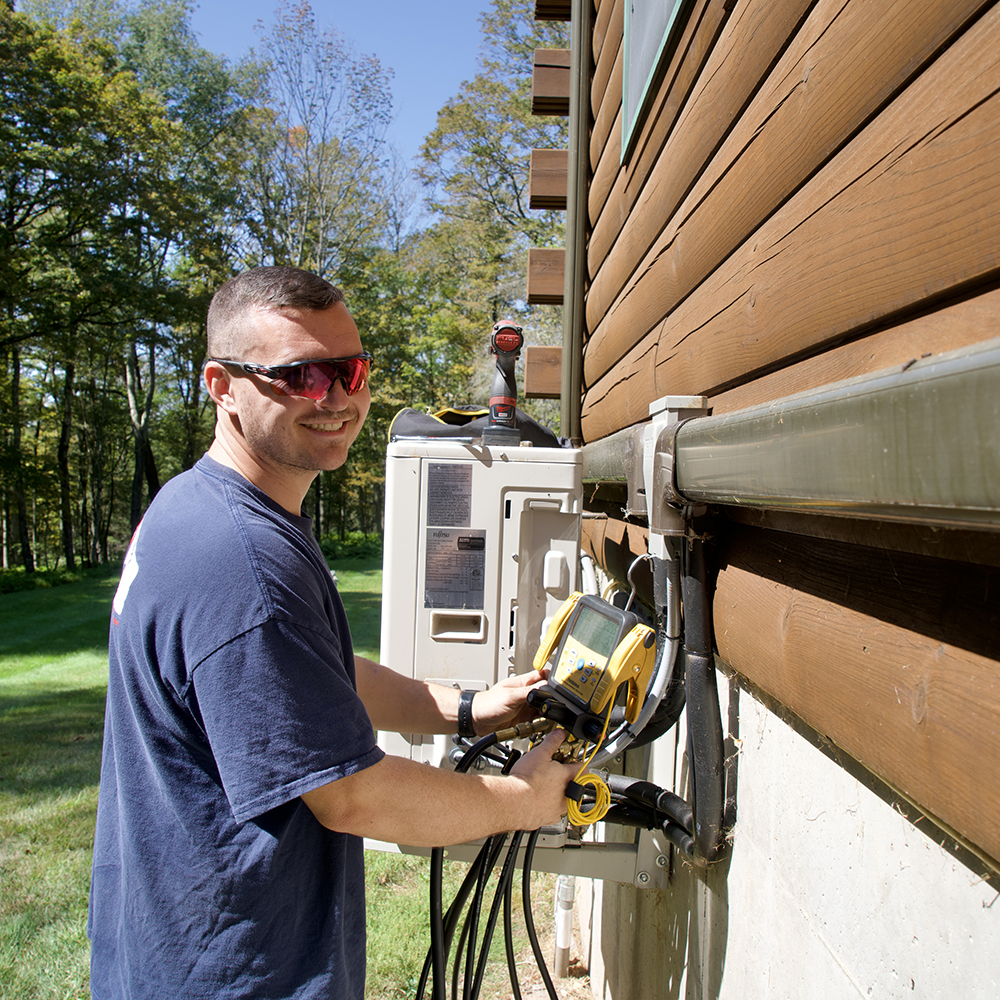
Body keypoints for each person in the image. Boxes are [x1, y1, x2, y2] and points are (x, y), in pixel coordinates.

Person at [88, 266, 577, 1000]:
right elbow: (354, 797)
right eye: (301, 377)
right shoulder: (242, 560)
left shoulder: (199, 506)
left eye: (349, 370)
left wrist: (466, 708)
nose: (339, 399)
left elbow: (309, 671)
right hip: (239, 975)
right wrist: (526, 801)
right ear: (222, 386)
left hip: (167, 944)